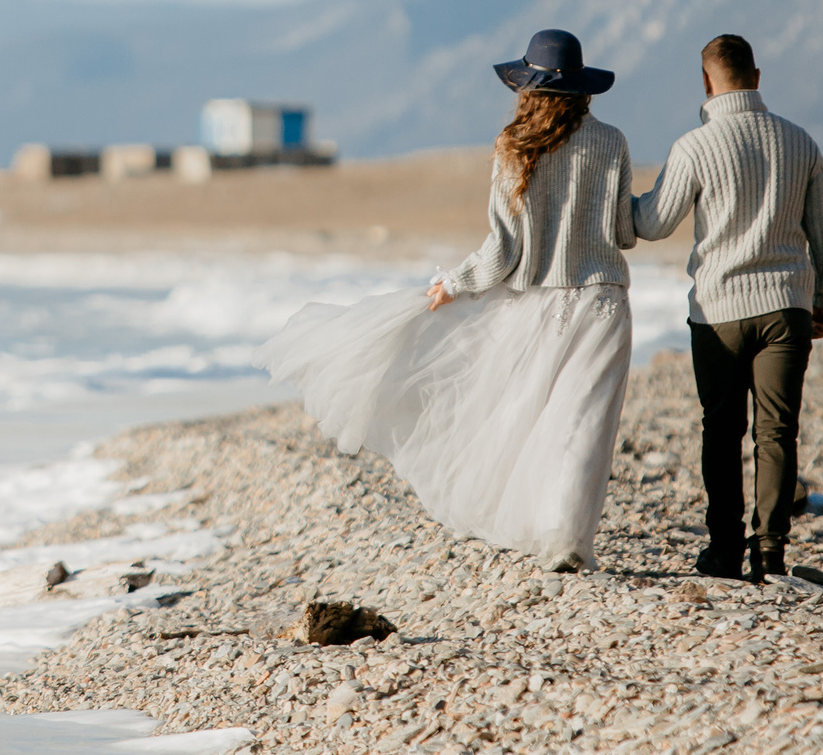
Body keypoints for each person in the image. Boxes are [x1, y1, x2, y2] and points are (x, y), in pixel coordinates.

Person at [258, 29, 635, 572]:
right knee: (585, 421)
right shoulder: (614, 142)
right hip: (602, 302)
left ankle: (549, 534)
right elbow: (623, 231)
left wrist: (454, 283)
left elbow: (503, 252)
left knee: (532, 419)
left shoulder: (512, 146)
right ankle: (568, 541)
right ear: (583, 89)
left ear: (526, 87)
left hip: (535, 305)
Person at [632, 33, 823, 584]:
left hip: (718, 310)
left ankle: (723, 550)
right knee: (777, 430)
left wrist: (607, 204)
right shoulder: (799, 142)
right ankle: (770, 552)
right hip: (785, 307)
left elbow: (653, 223)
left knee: (720, 432)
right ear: (757, 75)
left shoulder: (695, 147)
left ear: (706, 82)